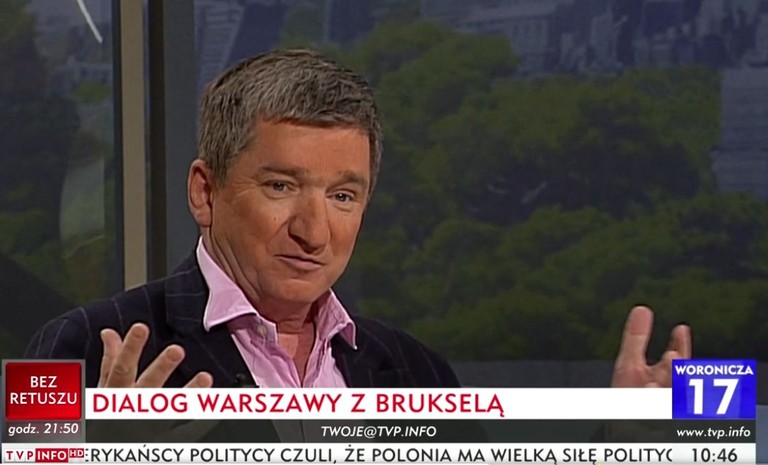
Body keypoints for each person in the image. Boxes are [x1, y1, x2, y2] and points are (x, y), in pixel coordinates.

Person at [26, 49, 691, 396]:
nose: (314, 231)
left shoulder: (414, 370)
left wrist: (616, 441)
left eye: (343, 196)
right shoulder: (77, 345)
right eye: (281, 186)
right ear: (205, 192)